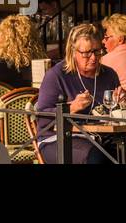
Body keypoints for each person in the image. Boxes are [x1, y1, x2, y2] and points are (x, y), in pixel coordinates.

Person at [34, 23, 121, 164]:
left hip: (100, 137)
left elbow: (114, 114)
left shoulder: (109, 74)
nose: (93, 58)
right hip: (58, 138)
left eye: (97, 51)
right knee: (96, 158)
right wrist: (71, 108)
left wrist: (121, 104)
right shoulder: (57, 75)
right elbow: (43, 118)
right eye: (87, 53)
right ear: (73, 52)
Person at [0, 14, 47, 87]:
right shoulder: (40, 65)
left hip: (5, 98)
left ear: (2, 38)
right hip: (35, 98)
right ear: (33, 38)